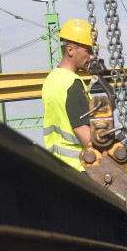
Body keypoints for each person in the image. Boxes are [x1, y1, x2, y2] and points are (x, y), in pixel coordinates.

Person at [41, 19, 96, 169]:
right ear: (70, 50)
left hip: (57, 166)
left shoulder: (51, 80)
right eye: (88, 51)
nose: (92, 57)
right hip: (79, 166)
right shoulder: (72, 82)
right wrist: (106, 161)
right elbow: (81, 128)